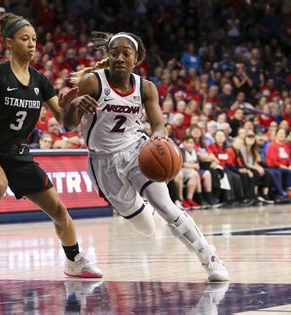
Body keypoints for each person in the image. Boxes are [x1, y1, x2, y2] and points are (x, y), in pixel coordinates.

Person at [64, 31, 228, 281]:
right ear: (108, 55)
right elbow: (67, 125)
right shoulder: (93, 83)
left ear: (136, 59)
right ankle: (146, 210)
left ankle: (210, 258)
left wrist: (158, 137)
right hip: (104, 162)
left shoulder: (146, 87)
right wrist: (74, 105)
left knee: (168, 207)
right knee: (147, 228)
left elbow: (159, 125)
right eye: (115, 52)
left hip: (136, 151)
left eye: (126, 53)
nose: (119, 57)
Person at [0, 13, 102, 278]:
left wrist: (74, 105)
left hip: (17, 155)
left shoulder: (40, 81)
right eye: (25, 39)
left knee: (58, 210)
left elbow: (65, 123)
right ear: (9, 43)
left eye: (34, 39)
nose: (32, 44)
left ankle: (74, 260)